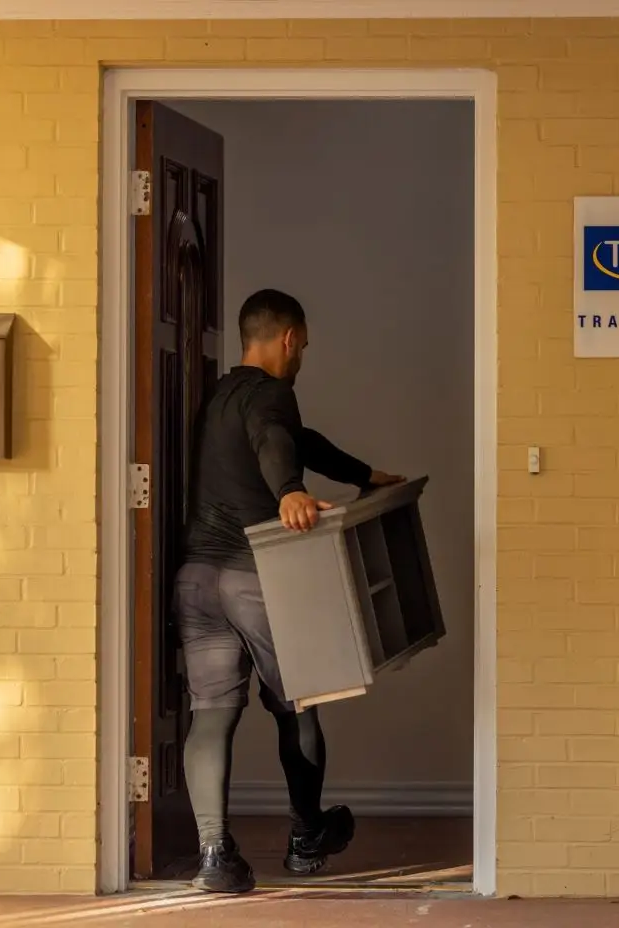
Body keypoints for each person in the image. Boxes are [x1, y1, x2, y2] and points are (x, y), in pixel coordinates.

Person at [175, 287, 404, 894]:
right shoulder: (274, 395)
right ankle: (307, 837)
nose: (302, 357)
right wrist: (289, 491)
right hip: (255, 577)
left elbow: (296, 438)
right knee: (297, 703)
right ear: (290, 339)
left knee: (212, 715)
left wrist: (363, 475)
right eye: (303, 346)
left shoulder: (218, 395)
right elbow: (277, 443)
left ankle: (213, 856)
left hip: (198, 581)